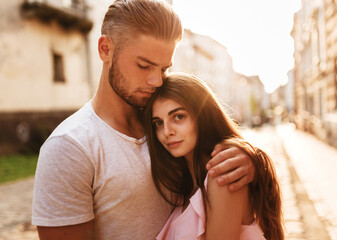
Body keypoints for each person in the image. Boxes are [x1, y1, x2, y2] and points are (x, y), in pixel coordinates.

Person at [32, 1, 255, 239]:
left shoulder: (165, 124)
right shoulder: (69, 148)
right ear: (105, 49)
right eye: (144, 65)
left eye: (163, 69)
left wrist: (250, 159)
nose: (157, 81)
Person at [144, 72, 284, 240]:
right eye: (158, 123)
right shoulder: (183, 186)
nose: (167, 132)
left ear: (202, 116)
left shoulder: (223, 174)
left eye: (178, 117)